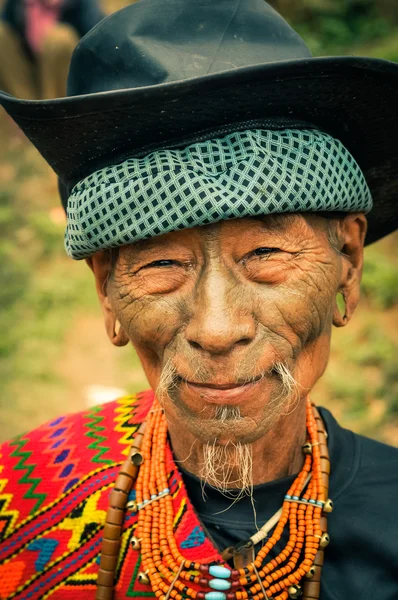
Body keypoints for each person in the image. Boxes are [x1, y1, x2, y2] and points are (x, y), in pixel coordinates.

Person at [0, 0, 397, 598]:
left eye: (266, 255)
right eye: (162, 263)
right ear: (106, 290)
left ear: (348, 261)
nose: (216, 327)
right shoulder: (21, 503)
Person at [0, 0, 104, 99]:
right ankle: (21, 110)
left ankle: (55, 111)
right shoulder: (18, 4)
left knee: (59, 38)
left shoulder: (80, 4)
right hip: (28, 76)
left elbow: (100, 44)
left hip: (67, 83)